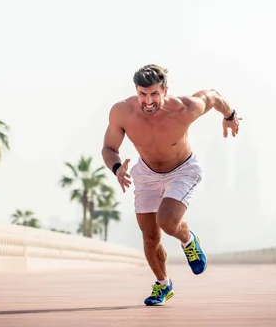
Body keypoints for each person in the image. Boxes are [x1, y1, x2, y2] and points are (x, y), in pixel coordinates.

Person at [101, 64, 242, 306]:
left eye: (154, 94)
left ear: (165, 91)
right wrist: (117, 168)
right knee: (149, 237)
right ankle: (163, 284)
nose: (148, 101)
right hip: (146, 173)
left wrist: (229, 115)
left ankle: (188, 240)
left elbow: (214, 96)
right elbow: (109, 148)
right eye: (142, 94)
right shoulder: (122, 112)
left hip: (182, 170)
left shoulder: (185, 108)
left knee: (166, 221)